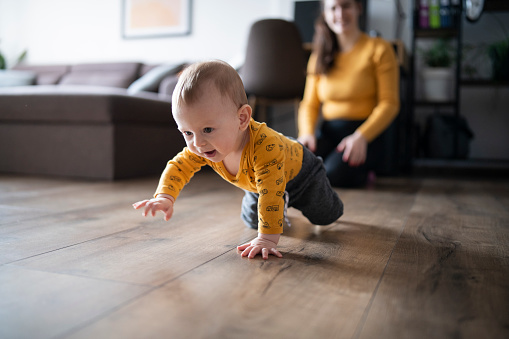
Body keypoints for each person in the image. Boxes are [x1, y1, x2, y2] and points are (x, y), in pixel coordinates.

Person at [133, 60, 343, 260]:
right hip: (258, 184)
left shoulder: (264, 148)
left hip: (301, 174)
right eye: (187, 132)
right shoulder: (206, 145)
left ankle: (318, 187)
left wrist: (267, 240)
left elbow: (271, 194)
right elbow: (179, 166)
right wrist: (165, 197)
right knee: (253, 221)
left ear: (241, 119)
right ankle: (281, 208)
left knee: (325, 215)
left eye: (207, 129)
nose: (198, 143)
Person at [297, 0, 400, 188]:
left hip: (365, 135)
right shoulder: (318, 56)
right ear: (325, 14)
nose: (340, 13)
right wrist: (306, 133)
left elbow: (389, 103)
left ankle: (365, 172)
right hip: (329, 132)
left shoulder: (380, 49)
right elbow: (309, 104)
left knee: (328, 176)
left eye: (346, 6)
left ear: (358, 8)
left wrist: (361, 136)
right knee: (297, 167)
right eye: (333, 8)